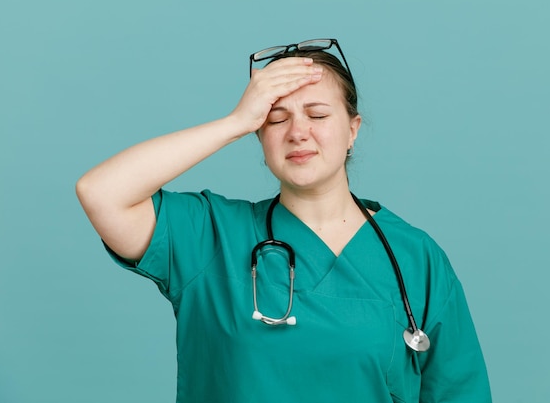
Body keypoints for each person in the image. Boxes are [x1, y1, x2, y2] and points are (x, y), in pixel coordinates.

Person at [76, 38, 492, 403]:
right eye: (277, 119)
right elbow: (101, 193)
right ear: (260, 135)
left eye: (318, 115)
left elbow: (458, 391)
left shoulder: (415, 258)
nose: (298, 132)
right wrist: (235, 122)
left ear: (353, 129)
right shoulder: (211, 237)